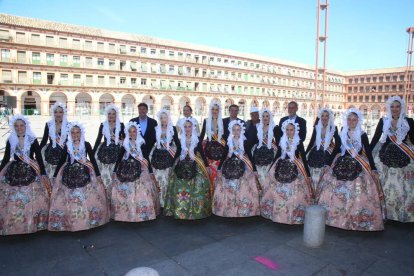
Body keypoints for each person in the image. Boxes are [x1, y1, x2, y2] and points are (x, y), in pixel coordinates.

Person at [318, 108, 384, 231]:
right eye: (349, 119)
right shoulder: (343, 131)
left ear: (358, 120)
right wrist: (328, 164)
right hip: (342, 162)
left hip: (358, 163)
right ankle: (336, 217)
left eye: (354, 119)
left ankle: (354, 218)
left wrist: (373, 168)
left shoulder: (363, 134)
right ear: (346, 120)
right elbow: (337, 148)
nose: (351, 121)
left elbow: (368, 152)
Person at [48, 122, 109, 232]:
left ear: (81, 133)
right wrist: (55, 175)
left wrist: (98, 175)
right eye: (73, 133)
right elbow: (62, 160)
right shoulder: (67, 145)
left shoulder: (86, 144)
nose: (75, 134)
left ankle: (88, 220)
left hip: (85, 172)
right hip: (69, 174)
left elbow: (93, 160)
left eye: (77, 132)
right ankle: (71, 221)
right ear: (70, 134)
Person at [0, 115, 50, 235]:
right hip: (14, 170)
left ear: (25, 126)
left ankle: (31, 222)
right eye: (16, 126)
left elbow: (38, 157)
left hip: (31, 169)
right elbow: (6, 158)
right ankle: (15, 224)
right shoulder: (10, 139)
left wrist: (43, 173)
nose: (19, 128)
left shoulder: (32, 139)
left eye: (21, 125)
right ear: (14, 127)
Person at [370, 96, 414, 222]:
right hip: (385, 151)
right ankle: (383, 211)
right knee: (378, 169)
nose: (395, 109)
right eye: (392, 106)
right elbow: (375, 138)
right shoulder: (383, 121)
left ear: (402, 108)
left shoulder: (409, 121)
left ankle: (403, 211)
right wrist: (367, 153)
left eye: (397, 106)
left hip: (405, 152)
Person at [260, 119, 313, 224]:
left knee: (295, 192)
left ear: (295, 130)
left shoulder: (299, 142)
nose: (289, 132)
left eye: (291, 130)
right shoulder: (282, 141)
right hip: (281, 166)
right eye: (287, 130)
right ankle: (279, 214)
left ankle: (293, 214)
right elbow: (278, 154)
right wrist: (271, 168)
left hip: (295, 167)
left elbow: (304, 158)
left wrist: (308, 174)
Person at [164, 118, 212, 220]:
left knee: (198, 185)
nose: (187, 129)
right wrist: (172, 165)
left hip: (195, 163)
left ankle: (196, 211)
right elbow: (177, 152)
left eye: (189, 126)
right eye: (185, 127)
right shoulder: (180, 138)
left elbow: (201, 153)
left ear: (193, 127)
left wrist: (207, 166)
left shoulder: (197, 139)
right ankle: (180, 210)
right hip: (181, 162)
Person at [111, 122, 160, 222]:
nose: (132, 133)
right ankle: (126, 213)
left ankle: (142, 212)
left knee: (142, 191)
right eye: (130, 132)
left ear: (137, 132)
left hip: (141, 169)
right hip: (126, 169)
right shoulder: (125, 144)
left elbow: (146, 158)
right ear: (127, 133)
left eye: (134, 131)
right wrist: (115, 171)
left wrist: (150, 173)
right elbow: (120, 158)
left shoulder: (141, 143)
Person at [213, 120, 260, 217]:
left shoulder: (245, 142)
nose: (236, 132)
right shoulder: (229, 141)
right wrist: (219, 168)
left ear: (241, 130)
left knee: (243, 187)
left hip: (243, 166)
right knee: (228, 187)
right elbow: (224, 155)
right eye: (234, 130)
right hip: (229, 166)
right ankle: (229, 208)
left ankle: (243, 209)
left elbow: (250, 156)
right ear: (231, 130)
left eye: (238, 130)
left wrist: (254, 170)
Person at [150, 109, 180, 207]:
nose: (163, 120)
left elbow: (178, 145)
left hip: (169, 157)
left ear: (168, 118)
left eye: (165, 118)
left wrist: (175, 159)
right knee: (158, 179)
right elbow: (151, 143)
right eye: (161, 118)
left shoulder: (173, 129)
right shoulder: (156, 129)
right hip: (157, 156)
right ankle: (158, 202)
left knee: (167, 180)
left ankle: (167, 202)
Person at [92, 104, 125, 196]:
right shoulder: (103, 125)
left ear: (116, 115)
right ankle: (104, 191)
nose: (111, 115)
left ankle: (116, 192)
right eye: (109, 114)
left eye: (113, 114)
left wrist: (118, 140)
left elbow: (126, 139)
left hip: (117, 149)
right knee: (103, 171)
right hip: (104, 149)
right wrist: (92, 153)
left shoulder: (121, 125)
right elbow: (98, 139)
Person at [305, 108, 340, 191]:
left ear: (330, 117)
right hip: (315, 152)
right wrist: (304, 153)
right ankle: (314, 190)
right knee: (313, 171)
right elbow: (311, 141)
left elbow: (338, 143)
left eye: (326, 116)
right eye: (323, 116)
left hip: (328, 152)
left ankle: (324, 190)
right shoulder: (316, 127)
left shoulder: (334, 128)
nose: (324, 118)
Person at [250, 108, 280, 184]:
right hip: (258, 151)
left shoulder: (275, 127)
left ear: (270, 117)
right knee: (258, 171)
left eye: (267, 116)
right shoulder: (258, 127)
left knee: (268, 171)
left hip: (271, 151)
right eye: (263, 116)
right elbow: (254, 140)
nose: (265, 118)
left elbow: (279, 142)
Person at [199, 99, 226, 183]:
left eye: (216, 109)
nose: (214, 111)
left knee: (218, 171)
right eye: (213, 109)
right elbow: (202, 135)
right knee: (209, 171)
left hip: (221, 148)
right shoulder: (206, 121)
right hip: (208, 148)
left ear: (219, 111)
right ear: (210, 110)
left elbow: (225, 137)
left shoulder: (223, 121)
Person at [39, 102, 69, 178]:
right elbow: (44, 140)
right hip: (50, 153)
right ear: (53, 113)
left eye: (60, 112)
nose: (58, 114)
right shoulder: (48, 124)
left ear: (64, 113)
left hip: (64, 153)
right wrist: (37, 152)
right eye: (56, 112)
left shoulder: (69, 125)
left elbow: (70, 141)